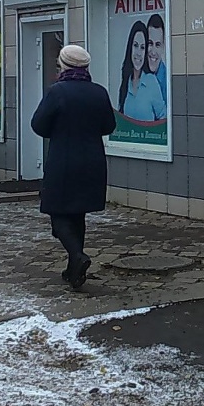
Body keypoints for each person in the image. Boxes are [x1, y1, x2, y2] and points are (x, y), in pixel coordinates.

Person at [31, 44, 116, 290]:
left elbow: (38, 125)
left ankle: (77, 257)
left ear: (64, 65)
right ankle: (73, 271)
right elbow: (108, 126)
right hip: (93, 162)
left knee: (58, 214)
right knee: (77, 214)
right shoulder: (99, 92)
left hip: (63, 161)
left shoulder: (57, 92)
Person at [118, 21, 165, 121]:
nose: (139, 53)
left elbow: (163, 117)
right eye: (135, 45)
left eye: (142, 47)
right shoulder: (126, 82)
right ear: (130, 48)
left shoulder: (151, 81)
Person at [145, 13, 167, 102]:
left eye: (157, 45)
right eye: (150, 43)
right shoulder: (136, 75)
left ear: (163, 47)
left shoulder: (167, 82)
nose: (153, 52)